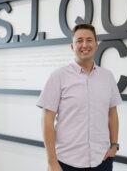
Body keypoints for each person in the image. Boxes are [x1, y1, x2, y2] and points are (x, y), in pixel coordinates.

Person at [37, 23, 122, 171]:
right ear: (72, 46)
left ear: (96, 45)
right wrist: (51, 162)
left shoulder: (107, 76)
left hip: (102, 160)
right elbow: (47, 119)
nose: (85, 45)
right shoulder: (58, 76)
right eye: (79, 40)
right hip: (66, 163)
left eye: (89, 40)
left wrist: (114, 145)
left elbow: (112, 113)